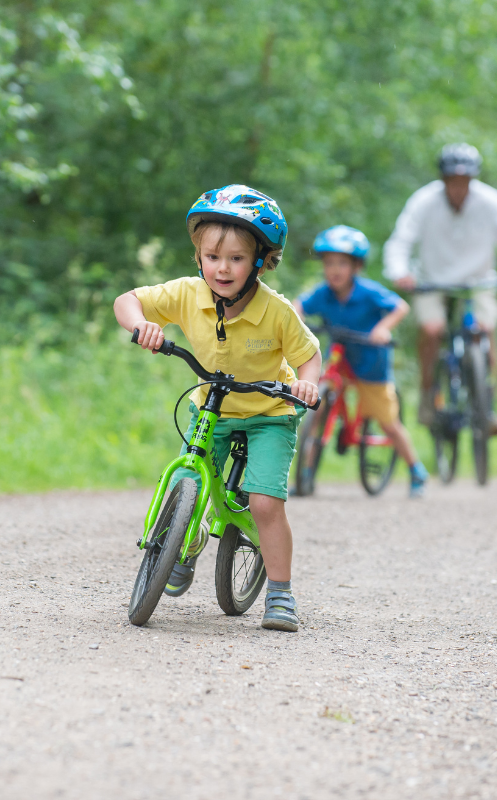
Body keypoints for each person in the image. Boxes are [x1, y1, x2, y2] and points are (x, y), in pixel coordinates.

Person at [113, 185, 321, 632]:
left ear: (261, 261)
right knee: (191, 475)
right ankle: (181, 544)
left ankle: (281, 593)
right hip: (213, 406)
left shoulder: (277, 311)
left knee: (265, 504)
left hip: (270, 410)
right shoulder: (188, 294)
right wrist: (142, 324)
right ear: (199, 257)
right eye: (211, 256)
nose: (221, 268)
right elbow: (127, 300)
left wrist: (307, 384)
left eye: (236, 259)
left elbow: (308, 354)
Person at [383, 143, 497, 430]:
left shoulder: (491, 202)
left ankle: (487, 403)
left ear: (473, 179)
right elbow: (401, 241)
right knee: (432, 330)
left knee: (485, 329)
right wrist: (400, 272)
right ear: (443, 180)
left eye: (464, 181)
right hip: (432, 280)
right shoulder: (423, 201)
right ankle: (428, 393)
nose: (458, 187)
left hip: (479, 280)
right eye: (453, 181)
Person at [294, 225, 429, 497]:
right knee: (315, 408)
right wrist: (296, 319)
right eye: (329, 263)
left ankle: (416, 469)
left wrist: (383, 328)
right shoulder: (324, 293)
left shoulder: (368, 292)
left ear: (356, 266)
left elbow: (400, 306)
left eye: (342, 263)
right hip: (338, 360)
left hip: (370, 366)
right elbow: (300, 304)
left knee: (387, 421)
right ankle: (305, 473)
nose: (334, 269)